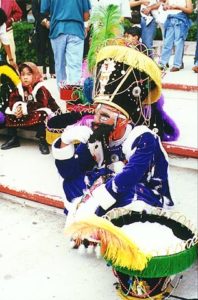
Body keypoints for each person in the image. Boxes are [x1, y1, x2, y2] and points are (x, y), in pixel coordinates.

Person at [52, 44, 174, 223]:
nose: (96, 119)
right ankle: (94, 220)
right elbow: (70, 173)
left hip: (137, 186)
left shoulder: (142, 137)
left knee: (132, 196)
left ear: (123, 119)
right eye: (96, 112)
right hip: (107, 183)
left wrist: (96, 200)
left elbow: (132, 174)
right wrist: (65, 141)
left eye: (105, 115)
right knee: (71, 184)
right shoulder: (97, 136)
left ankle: (103, 222)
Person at [1, 62, 60, 154]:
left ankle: (42, 140)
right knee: (9, 113)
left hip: (37, 115)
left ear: (35, 74)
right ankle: (13, 138)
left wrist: (23, 108)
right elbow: (12, 100)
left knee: (43, 114)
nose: (25, 77)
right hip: (26, 115)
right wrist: (17, 107)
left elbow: (41, 104)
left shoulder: (40, 87)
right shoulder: (19, 88)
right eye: (22, 74)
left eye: (29, 74)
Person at [40, 0, 91, 90]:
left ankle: (63, 93)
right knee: (74, 65)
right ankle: (73, 96)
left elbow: (44, 10)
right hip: (76, 29)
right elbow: (86, 16)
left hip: (57, 29)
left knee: (59, 64)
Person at [159, 0, 193, 72]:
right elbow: (165, 7)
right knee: (167, 42)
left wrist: (178, 7)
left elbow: (190, 10)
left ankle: (177, 64)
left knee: (178, 43)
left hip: (181, 20)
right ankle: (162, 63)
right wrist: (165, 7)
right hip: (170, 19)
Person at [32, 0, 55, 80]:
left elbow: (55, 8)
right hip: (40, 25)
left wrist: (50, 21)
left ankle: (53, 71)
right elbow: (35, 11)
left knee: (52, 48)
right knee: (41, 49)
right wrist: (43, 21)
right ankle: (42, 73)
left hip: (52, 24)